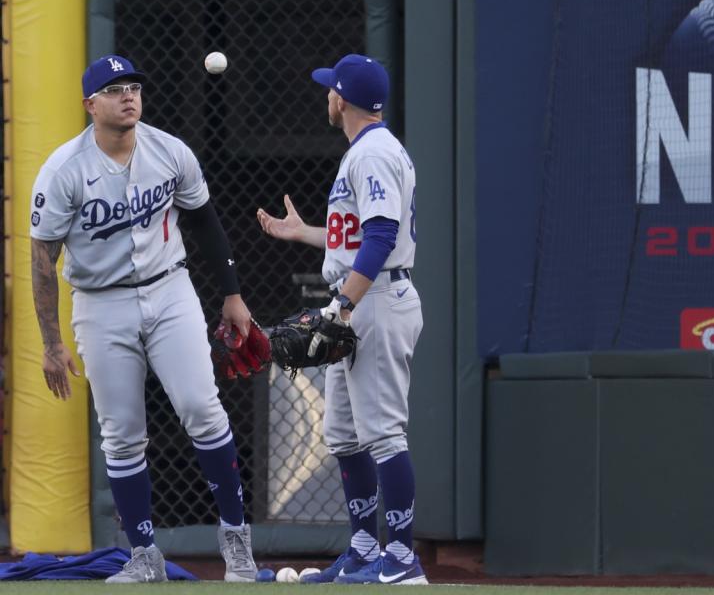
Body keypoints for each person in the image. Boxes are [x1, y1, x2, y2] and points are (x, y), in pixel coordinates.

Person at [30, 55, 258, 583]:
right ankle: (144, 556)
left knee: (203, 408)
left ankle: (238, 545)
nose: (128, 96)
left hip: (169, 288)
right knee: (123, 435)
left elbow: (202, 219)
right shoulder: (64, 171)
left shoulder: (169, 151)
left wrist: (232, 294)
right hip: (100, 302)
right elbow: (42, 260)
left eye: (132, 87)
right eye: (113, 90)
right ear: (90, 105)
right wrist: (49, 341)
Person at [256, 53, 425, 585]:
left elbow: (379, 238)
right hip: (365, 296)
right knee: (345, 435)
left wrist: (343, 307)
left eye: (331, 88)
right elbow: (361, 236)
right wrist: (305, 233)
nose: (326, 94)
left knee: (384, 434)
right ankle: (362, 550)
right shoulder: (370, 150)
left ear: (342, 99)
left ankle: (400, 560)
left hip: (373, 301)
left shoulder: (372, 153)